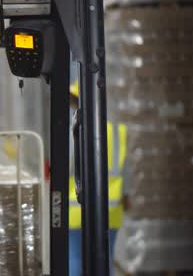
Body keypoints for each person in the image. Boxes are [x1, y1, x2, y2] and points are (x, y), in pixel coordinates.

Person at [68, 80, 127, 276]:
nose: (73, 105)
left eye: (75, 101)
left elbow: (67, 165)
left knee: (75, 257)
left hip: (78, 205)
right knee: (106, 257)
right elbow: (129, 166)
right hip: (112, 207)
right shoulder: (120, 129)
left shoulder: (79, 129)